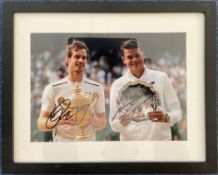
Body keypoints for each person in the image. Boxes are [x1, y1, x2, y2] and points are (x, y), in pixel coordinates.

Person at [109, 39, 182, 141]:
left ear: (143, 55)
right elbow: (113, 124)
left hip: (159, 144)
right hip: (131, 148)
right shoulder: (117, 85)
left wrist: (166, 117)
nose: (134, 59)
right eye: (130, 57)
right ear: (123, 60)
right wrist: (120, 122)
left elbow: (177, 112)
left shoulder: (161, 78)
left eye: (137, 55)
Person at [37, 39, 107, 141]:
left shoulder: (97, 88)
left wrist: (92, 119)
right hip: (63, 146)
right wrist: (59, 121)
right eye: (77, 57)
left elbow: (102, 122)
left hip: (88, 145)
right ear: (67, 59)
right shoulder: (53, 88)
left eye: (84, 58)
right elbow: (41, 123)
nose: (81, 60)